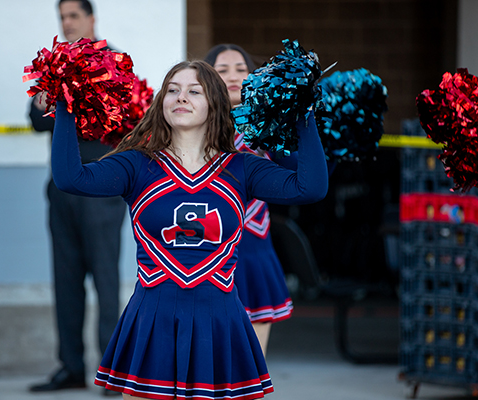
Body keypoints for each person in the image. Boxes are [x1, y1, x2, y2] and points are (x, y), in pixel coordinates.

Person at [50, 60, 328, 399]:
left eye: (194, 91)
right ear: (161, 102)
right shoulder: (137, 164)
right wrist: (64, 106)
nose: (181, 97)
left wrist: (303, 114)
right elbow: (71, 178)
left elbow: (309, 188)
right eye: (172, 90)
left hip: (220, 321)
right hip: (153, 320)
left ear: (215, 103)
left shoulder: (241, 167)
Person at [28, 0, 126, 394]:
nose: (67, 23)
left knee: (105, 280)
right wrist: (52, 94)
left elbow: (125, 118)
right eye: (62, 18)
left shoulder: (114, 62)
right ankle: (70, 366)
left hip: (102, 189)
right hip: (62, 189)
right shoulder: (53, 64)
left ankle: (111, 371)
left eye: (73, 16)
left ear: (91, 19)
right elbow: (35, 119)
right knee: (65, 281)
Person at [204, 44, 295, 355]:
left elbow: (299, 177)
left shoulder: (268, 124)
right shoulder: (192, 126)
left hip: (253, 249)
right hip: (202, 254)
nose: (233, 77)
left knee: (250, 369)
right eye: (223, 69)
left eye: (241, 70)